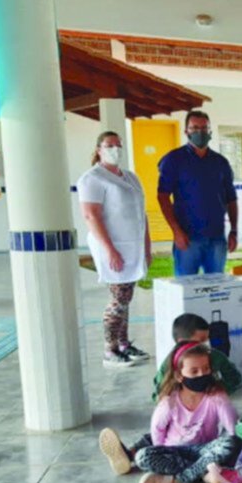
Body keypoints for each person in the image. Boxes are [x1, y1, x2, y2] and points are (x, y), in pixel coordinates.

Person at [98, 342, 240, 483]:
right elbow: (157, 432)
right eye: (194, 371)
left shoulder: (214, 396)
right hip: (174, 451)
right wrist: (163, 453)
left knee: (230, 443)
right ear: (179, 376)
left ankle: (176, 480)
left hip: (204, 450)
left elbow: (232, 428)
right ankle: (206, 475)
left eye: (206, 369)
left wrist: (222, 398)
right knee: (142, 456)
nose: (202, 375)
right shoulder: (169, 402)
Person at [78, 130, 152, 369]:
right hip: (113, 247)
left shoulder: (130, 177)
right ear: (98, 149)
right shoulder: (92, 178)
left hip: (133, 247)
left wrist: (147, 246)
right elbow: (91, 215)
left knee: (126, 296)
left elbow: (142, 214)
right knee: (118, 298)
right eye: (109, 145)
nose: (115, 149)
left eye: (118, 145)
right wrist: (109, 249)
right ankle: (109, 350)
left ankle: (123, 344)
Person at [157, 110, 238, 277]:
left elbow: (231, 199)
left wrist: (234, 231)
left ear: (210, 132)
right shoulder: (174, 160)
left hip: (217, 237)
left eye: (204, 128)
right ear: (186, 131)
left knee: (215, 290)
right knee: (186, 291)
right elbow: (163, 196)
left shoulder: (221, 162)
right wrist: (176, 231)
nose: (199, 132)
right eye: (194, 128)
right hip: (187, 238)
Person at [152, 313, 242, 401]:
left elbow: (234, 378)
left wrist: (221, 390)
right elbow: (159, 392)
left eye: (207, 339)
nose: (206, 343)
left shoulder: (215, 356)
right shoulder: (169, 363)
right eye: (201, 340)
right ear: (182, 342)